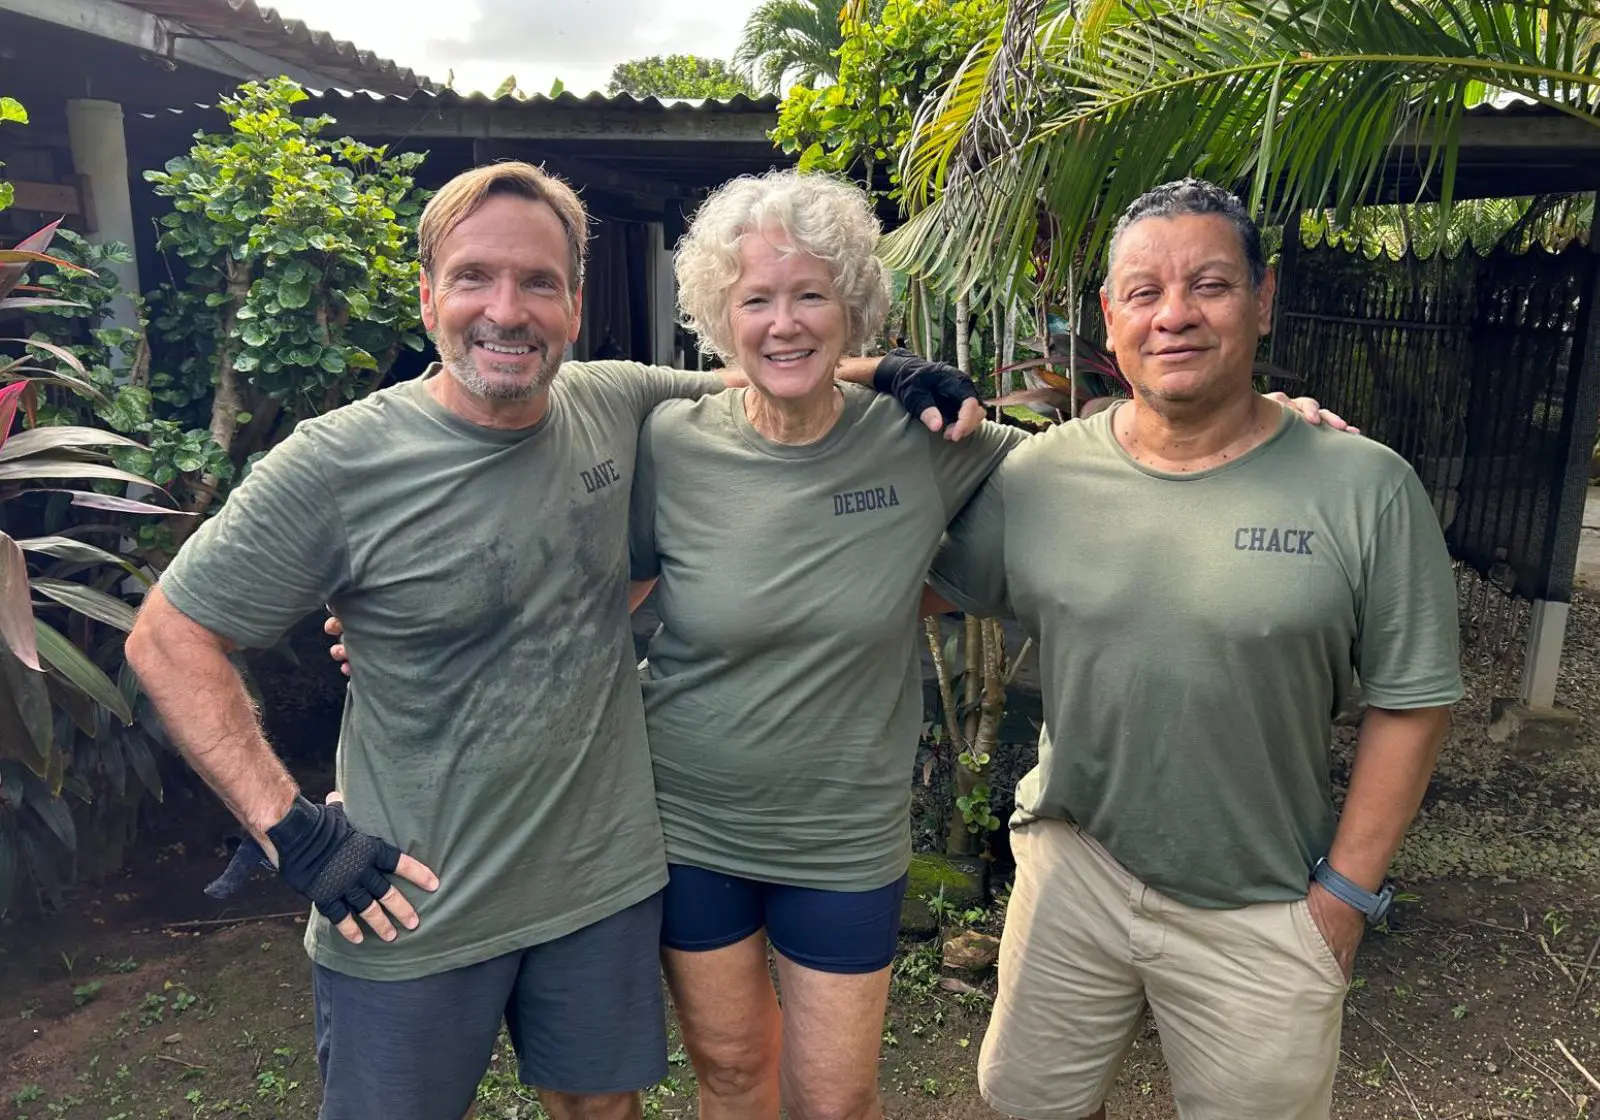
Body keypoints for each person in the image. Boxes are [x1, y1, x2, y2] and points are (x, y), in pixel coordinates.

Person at [122, 160, 987, 1120]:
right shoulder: (340, 460)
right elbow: (167, 638)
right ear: (427, 296)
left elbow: (764, 361)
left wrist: (893, 374)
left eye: (538, 282)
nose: (507, 309)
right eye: (474, 278)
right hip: (414, 899)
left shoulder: (612, 403)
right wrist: (292, 832)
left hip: (598, 886)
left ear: (574, 306)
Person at [928, 178, 1462, 1120]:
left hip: (1265, 901)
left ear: (1262, 300)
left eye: (1209, 285)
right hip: (1075, 868)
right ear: (1109, 317)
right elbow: (907, 583)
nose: (1174, 315)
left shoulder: (1365, 487)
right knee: (1025, 1102)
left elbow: (1412, 701)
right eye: (1144, 292)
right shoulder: (1040, 475)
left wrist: (1342, 899)